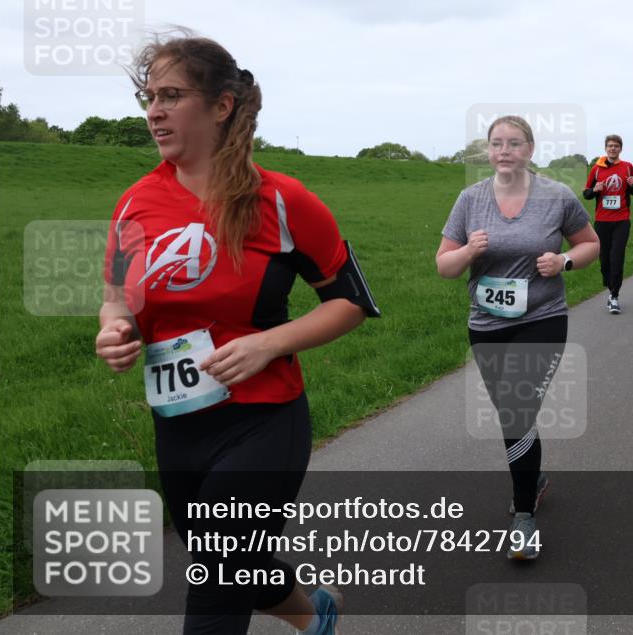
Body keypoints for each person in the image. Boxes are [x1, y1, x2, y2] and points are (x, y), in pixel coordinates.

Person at [96, 35, 379, 635]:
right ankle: (313, 613)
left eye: (172, 95)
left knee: (217, 583)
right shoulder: (134, 205)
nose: (154, 111)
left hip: (264, 419)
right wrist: (114, 331)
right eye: (149, 97)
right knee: (222, 562)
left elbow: (352, 303)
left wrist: (268, 343)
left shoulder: (282, 200)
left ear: (222, 106)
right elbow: (118, 297)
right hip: (177, 424)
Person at [436, 115, 599, 560]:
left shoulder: (556, 197)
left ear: (529, 150)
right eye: (496, 144)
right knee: (516, 414)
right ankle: (536, 479)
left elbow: (590, 244)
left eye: (513, 143)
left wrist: (564, 262)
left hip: (541, 319)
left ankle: (523, 515)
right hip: (487, 324)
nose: (504, 151)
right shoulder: (470, 200)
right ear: (487, 152)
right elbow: (444, 266)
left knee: (515, 407)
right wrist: (469, 251)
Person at [583, 135, 633, 314]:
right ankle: (609, 284)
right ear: (606, 148)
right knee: (605, 260)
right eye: (610, 146)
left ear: (620, 149)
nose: (613, 149)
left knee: (617, 258)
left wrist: (632, 185)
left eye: (616, 146)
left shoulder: (628, 167)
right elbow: (586, 193)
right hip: (602, 221)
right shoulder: (597, 169)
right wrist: (594, 190)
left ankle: (614, 295)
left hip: (622, 220)